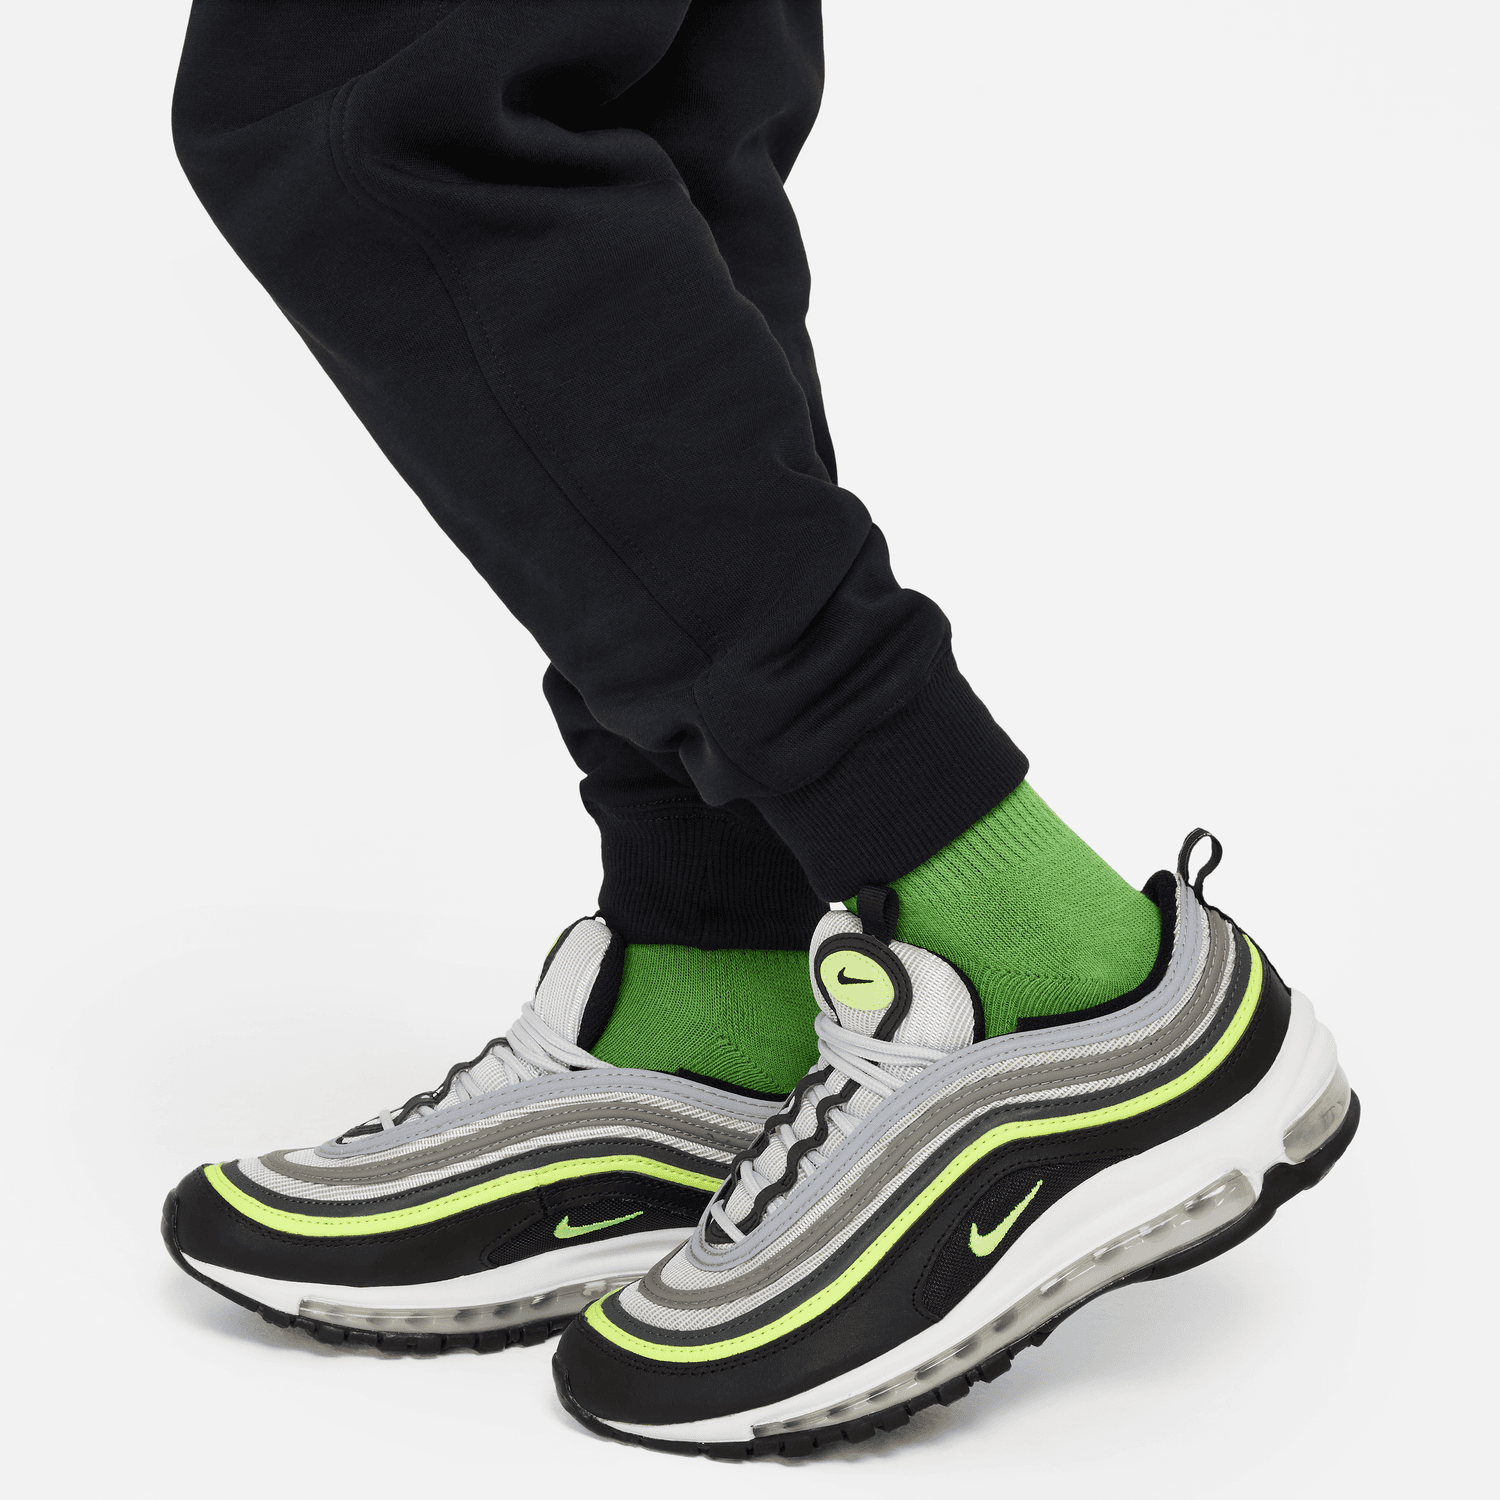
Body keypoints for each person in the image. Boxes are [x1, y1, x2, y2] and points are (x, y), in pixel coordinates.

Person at [162, 0, 1357, 1454]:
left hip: (1039, 956)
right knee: (636, 101)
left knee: (374, 96)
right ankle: (717, 970)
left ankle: (1054, 973)